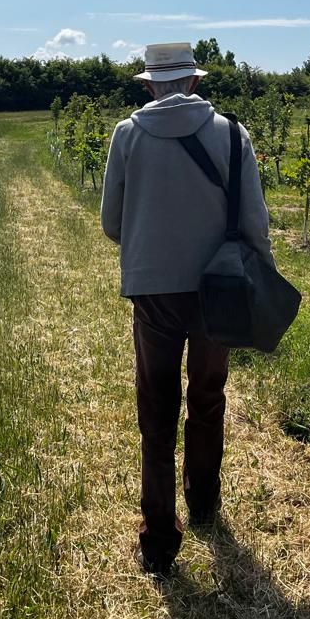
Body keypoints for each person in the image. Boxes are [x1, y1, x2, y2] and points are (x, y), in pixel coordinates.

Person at [100, 42, 273, 575]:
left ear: (150, 85)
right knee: (208, 394)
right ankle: (203, 502)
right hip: (217, 288)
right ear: (195, 83)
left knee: (156, 407)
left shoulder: (128, 136)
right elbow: (254, 222)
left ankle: (158, 535)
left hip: (153, 289)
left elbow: (112, 223)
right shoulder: (231, 133)